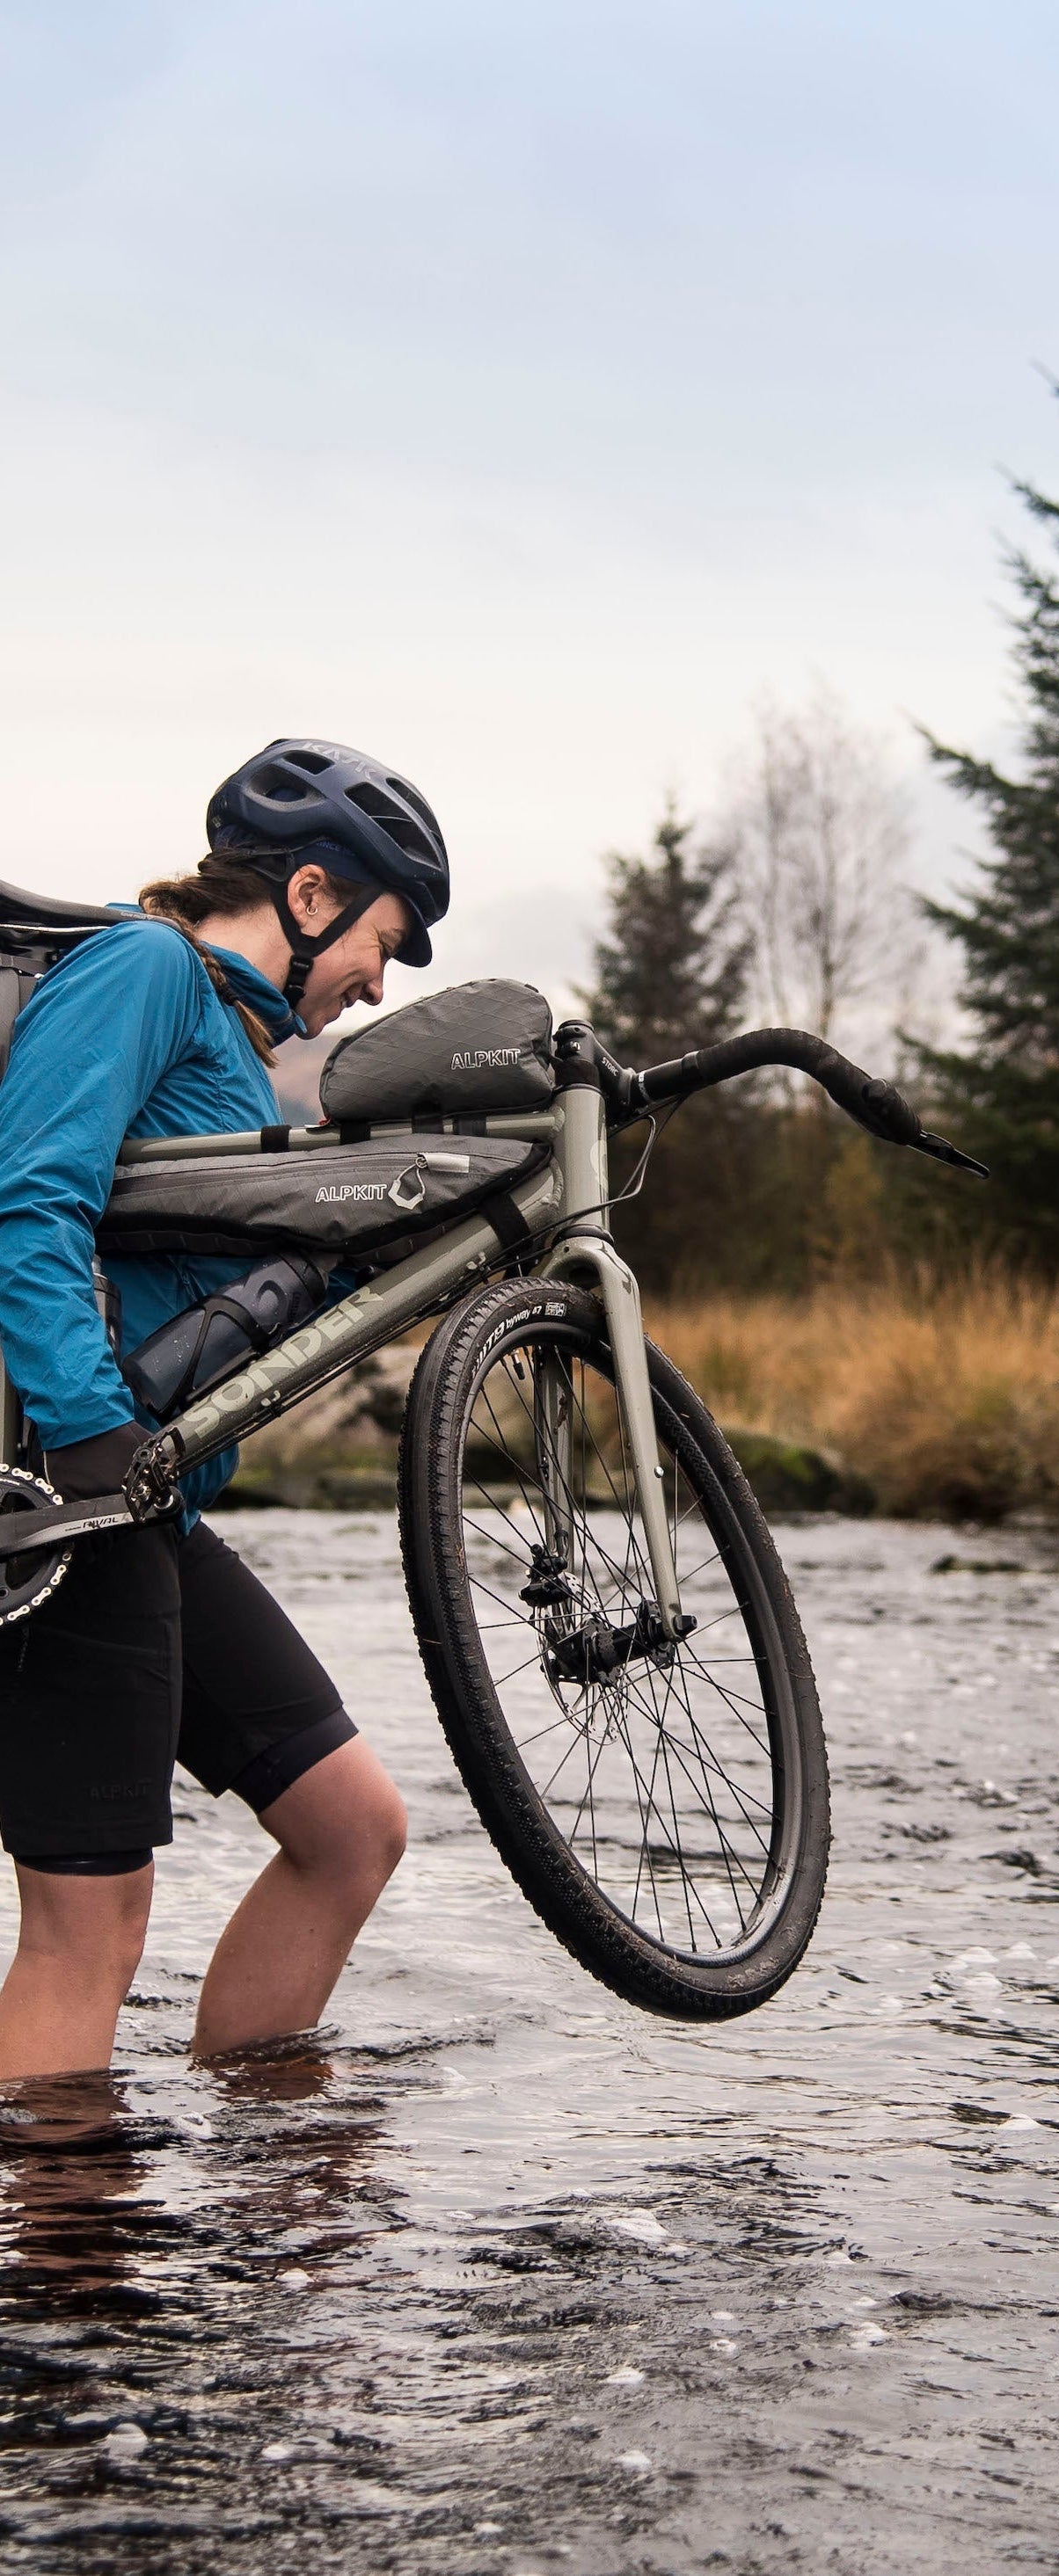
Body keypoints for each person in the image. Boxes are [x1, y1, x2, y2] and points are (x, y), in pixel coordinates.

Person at [0, 739, 449, 2092]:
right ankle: (62, 2229)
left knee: (350, 1830)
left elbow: (219, 1297)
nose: (379, 981)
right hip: (68, 1496)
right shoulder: (142, 970)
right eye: (383, 940)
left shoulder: (235, 1053)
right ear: (309, 894)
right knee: (87, 1932)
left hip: (149, 1497)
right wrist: (86, 1432)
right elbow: (29, 1202)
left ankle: (261, 2170)